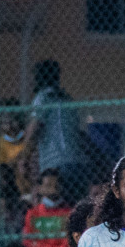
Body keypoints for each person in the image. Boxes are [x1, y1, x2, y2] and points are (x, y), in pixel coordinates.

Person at [27, 60, 89, 203]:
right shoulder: (67, 98)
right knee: (75, 206)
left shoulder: (43, 97)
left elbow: (34, 128)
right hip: (77, 161)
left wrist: (23, 156)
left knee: (60, 207)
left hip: (56, 165)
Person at [22, 169, 73, 247]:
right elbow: (31, 244)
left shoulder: (69, 213)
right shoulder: (33, 214)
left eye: (56, 185)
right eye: (48, 185)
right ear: (40, 189)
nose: (53, 189)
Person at [0, 100, 34, 198]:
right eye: (6, 123)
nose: (11, 126)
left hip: (32, 179)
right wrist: (17, 161)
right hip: (12, 184)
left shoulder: (30, 138)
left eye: (14, 120)